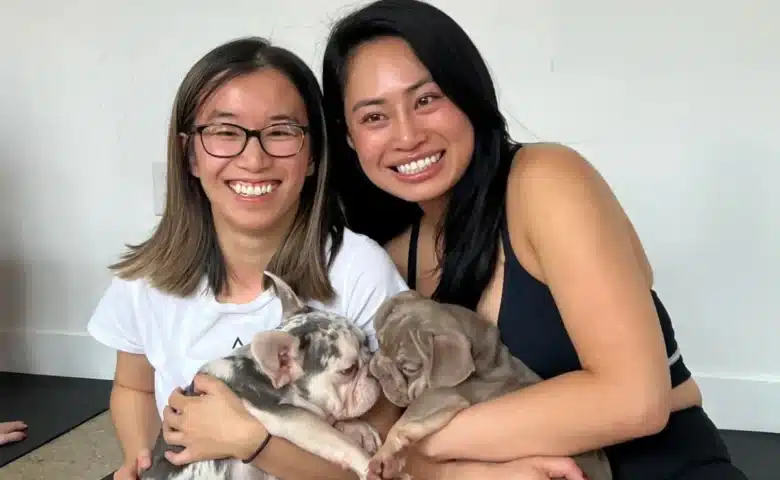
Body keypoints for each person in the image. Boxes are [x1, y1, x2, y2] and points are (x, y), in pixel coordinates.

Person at [321, 1, 748, 479]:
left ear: (468, 95)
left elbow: (636, 401)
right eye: (374, 117)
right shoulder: (389, 256)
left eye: (427, 99)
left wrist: (418, 445)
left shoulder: (546, 181)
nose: (408, 135)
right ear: (350, 139)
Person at [87, 36, 412, 480]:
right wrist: (140, 458)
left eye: (280, 132)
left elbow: (377, 460)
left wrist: (251, 442)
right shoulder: (147, 279)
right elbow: (133, 386)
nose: (254, 159)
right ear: (190, 155)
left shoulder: (359, 270)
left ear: (313, 153)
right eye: (225, 132)